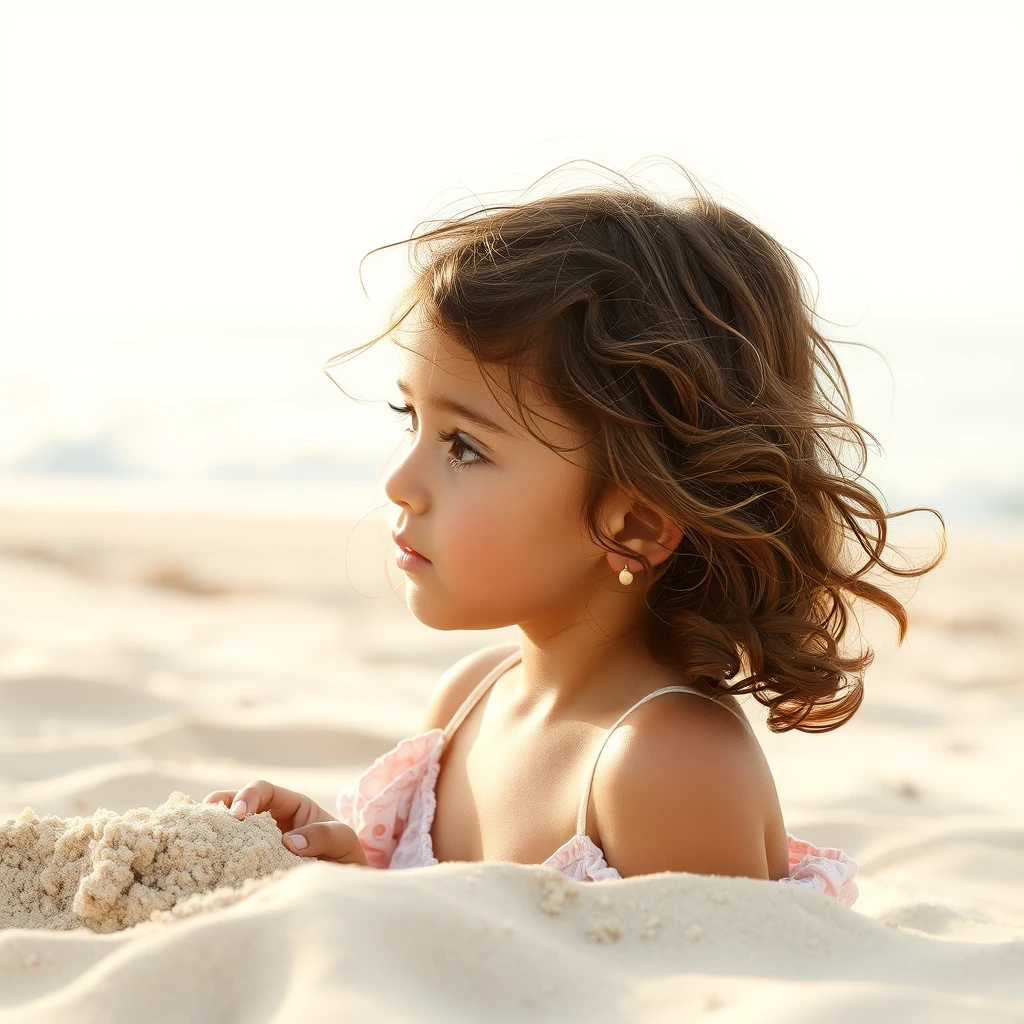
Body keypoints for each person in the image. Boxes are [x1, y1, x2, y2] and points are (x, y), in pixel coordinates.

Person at [203, 161, 945, 907]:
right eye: (411, 421)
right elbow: (438, 922)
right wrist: (348, 873)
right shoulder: (469, 698)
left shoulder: (667, 765)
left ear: (633, 524)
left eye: (464, 446)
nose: (398, 483)